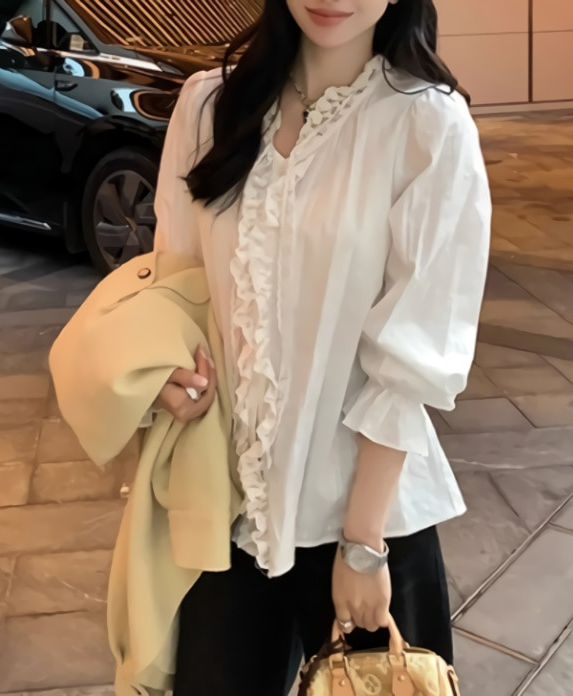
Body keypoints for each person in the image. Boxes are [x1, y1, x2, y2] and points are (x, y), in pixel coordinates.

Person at [152, 1, 491, 694]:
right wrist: (165, 372)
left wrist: (363, 544)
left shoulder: (428, 124)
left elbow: (416, 353)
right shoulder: (209, 107)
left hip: (366, 515)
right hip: (226, 507)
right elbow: (173, 288)